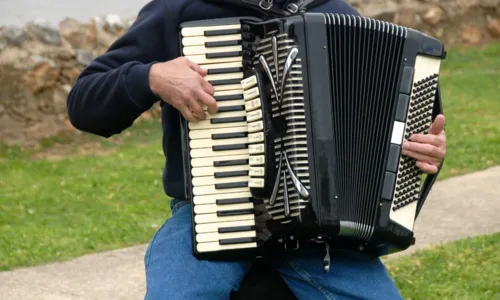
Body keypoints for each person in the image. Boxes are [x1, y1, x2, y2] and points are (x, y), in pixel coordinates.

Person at [66, 0, 448, 299]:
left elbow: (387, 143)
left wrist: (423, 154)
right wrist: (150, 76)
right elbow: (84, 104)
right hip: (212, 213)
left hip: (322, 236)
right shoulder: (179, 9)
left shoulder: (333, 13)